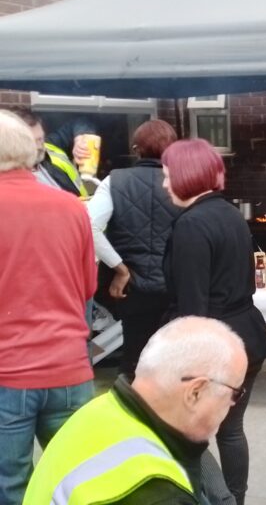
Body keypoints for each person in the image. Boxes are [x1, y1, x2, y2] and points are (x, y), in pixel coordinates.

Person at [23, 316, 248, 505]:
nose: (232, 405)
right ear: (195, 392)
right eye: (235, 394)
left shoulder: (99, 411)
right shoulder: (158, 493)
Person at [161, 139, 266, 505]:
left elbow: (194, 305)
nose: (164, 184)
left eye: (167, 176)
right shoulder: (229, 214)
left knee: (187, 433)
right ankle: (235, 499)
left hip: (211, 346)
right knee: (231, 430)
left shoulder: (191, 225)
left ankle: (212, 499)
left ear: (185, 177)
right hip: (247, 336)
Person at [0, 109, 97, 504]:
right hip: (71, 369)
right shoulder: (72, 207)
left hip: (7, 373)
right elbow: (88, 286)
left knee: (10, 487)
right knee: (78, 485)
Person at [87, 120, 181, 376]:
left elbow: (89, 226)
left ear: (136, 148)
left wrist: (119, 269)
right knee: (173, 360)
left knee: (134, 358)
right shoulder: (184, 182)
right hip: (176, 285)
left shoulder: (115, 181)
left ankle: (130, 408)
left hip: (132, 288)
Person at [11, 107, 93, 197]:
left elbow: (82, 121)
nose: (40, 146)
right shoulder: (9, 178)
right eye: (32, 142)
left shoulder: (49, 146)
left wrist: (79, 138)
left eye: (40, 139)